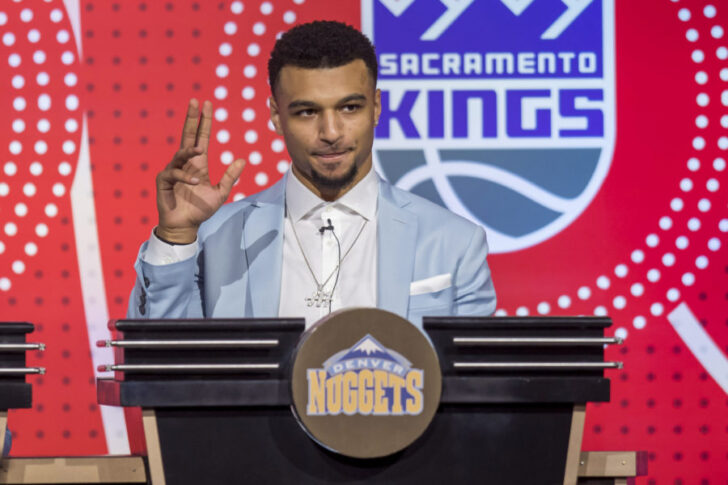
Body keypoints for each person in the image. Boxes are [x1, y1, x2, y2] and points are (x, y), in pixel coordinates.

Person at [127, 21, 495, 327]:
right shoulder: (213, 237)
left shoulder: (455, 244)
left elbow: (475, 390)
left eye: (349, 107)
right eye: (306, 112)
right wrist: (176, 237)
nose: (331, 132)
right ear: (276, 115)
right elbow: (155, 359)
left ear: (377, 107)